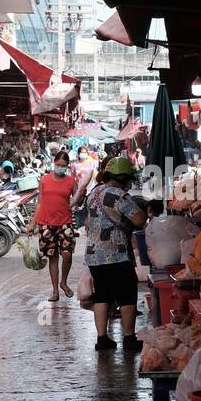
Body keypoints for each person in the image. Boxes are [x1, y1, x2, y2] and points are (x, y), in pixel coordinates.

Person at [84, 157, 147, 352]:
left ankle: (102, 339)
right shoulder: (118, 195)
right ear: (123, 178)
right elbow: (139, 220)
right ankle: (129, 339)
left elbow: (87, 223)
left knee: (102, 296)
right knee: (126, 294)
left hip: (94, 255)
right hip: (116, 254)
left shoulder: (93, 194)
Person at [26, 150, 78, 302]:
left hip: (65, 222)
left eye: (63, 165)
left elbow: (77, 201)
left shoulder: (71, 181)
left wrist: (81, 195)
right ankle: (55, 291)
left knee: (67, 254)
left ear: (67, 166)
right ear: (54, 163)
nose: (60, 167)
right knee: (53, 257)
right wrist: (32, 224)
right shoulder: (44, 180)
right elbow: (40, 203)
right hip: (46, 223)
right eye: (58, 164)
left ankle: (64, 282)